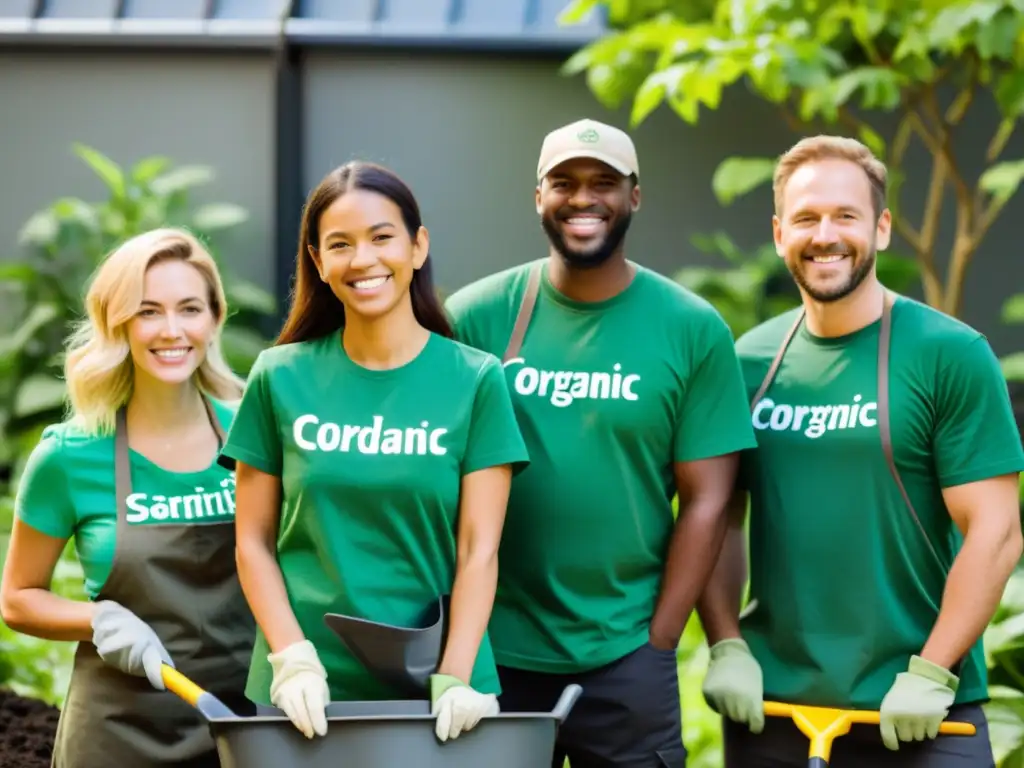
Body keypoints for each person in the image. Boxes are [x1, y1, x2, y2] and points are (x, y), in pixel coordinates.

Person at [696, 135, 1024, 766]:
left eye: (846, 216)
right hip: (775, 717)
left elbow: (997, 531)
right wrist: (726, 644)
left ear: (881, 227)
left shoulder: (949, 354)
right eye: (806, 218)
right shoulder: (747, 364)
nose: (826, 234)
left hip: (925, 718)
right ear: (777, 232)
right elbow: (716, 516)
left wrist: (932, 671)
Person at [444, 118, 757, 767]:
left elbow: (709, 501)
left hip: (623, 659)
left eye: (603, 183)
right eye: (563, 182)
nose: (583, 198)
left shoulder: (691, 329)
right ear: (538, 197)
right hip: (490, 654)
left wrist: (660, 638)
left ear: (634, 196)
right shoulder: (477, 317)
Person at [218, 160, 529, 744]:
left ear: (418, 247)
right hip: (303, 698)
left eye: (382, 237)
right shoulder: (278, 377)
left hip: (436, 694)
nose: (363, 260)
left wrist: (456, 677)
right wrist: (291, 660)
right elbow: (252, 542)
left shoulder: (476, 380)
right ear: (318, 262)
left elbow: (479, 550)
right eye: (340, 244)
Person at [0, 228, 256, 767]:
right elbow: (18, 598)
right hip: (117, 736)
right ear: (119, 323)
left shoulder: (254, 438)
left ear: (214, 319)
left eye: (189, 308)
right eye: (147, 311)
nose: (171, 330)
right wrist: (96, 619)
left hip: (244, 727)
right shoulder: (70, 456)